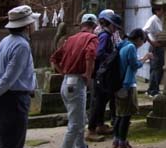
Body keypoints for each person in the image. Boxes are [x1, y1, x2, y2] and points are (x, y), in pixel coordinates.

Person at [0, 5, 37, 148]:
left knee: (1, 138)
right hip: (14, 100)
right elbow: (9, 77)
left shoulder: (5, 41)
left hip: (4, 100)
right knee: (12, 141)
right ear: (27, 26)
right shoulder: (21, 45)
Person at [51, 13, 99, 148]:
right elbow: (90, 55)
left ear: (81, 25)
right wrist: (88, 74)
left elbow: (54, 58)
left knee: (80, 118)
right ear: (94, 26)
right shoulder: (92, 38)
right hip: (77, 82)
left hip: (66, 82)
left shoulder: (71, 39)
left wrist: (63, 73)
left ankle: (80, 145)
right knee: (75, 123)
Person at [87, 10, 123, 142]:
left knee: (102, 101)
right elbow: (100, 53)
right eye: (115, 27)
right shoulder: (105, 36)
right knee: (97, 102)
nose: (116, 30)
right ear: (111, 25)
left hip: (104, 74)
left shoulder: (107, 35)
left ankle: (100, 125)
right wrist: (113, 56)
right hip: (101, 74)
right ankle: (91, 129)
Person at [113, 28, 152, 148]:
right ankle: (122, 142)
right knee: (126, 115)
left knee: (120, 114)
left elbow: (129, 62)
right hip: (127, 84)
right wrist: (145, 58)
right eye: (143, 41)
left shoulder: (124, 45)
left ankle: (117, 140)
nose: (142, 44)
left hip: (119, 84)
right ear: (139, 39)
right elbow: (134, 65)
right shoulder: (131, 47)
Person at [143, 6, 164, 97]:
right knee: (155, 68)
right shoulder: (153, 19)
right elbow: (144, 31)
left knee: (159, 68)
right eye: (161, 9)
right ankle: (152, 90)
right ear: (157, 10)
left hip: (161, 46)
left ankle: (154, 89)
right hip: (155, 46)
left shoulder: (160, 19)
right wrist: (152, 42)